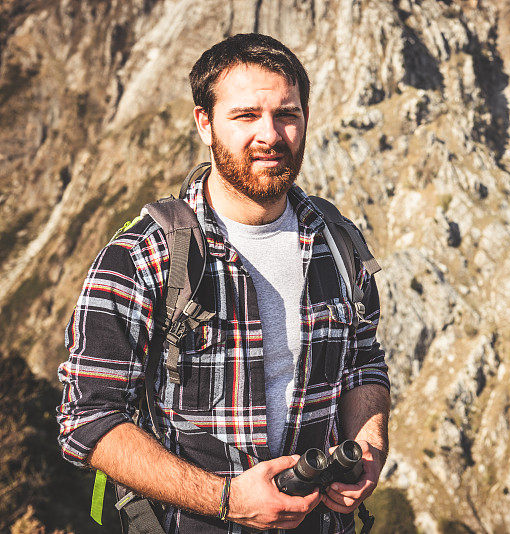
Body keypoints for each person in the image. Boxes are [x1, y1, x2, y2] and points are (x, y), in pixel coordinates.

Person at [56, 33, 390, 533]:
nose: (271, 135)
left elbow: (363, 362)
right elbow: (86, 420)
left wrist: (368, 447)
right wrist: (227, 499)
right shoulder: (143, 255)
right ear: (204, 122)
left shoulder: (337, 246)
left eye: (287, 114)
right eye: (246, 115)